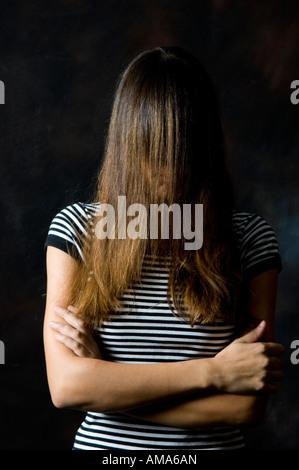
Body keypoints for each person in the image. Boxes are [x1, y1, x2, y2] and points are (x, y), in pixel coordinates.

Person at [43, 46, 284, 450]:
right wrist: (214, 373)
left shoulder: (249, 240)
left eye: (184, 148)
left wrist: (105, 380)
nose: (171, 168)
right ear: (129, 142)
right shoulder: (77, 230)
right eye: (156, 149)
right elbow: (66, 386)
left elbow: (245, 409)